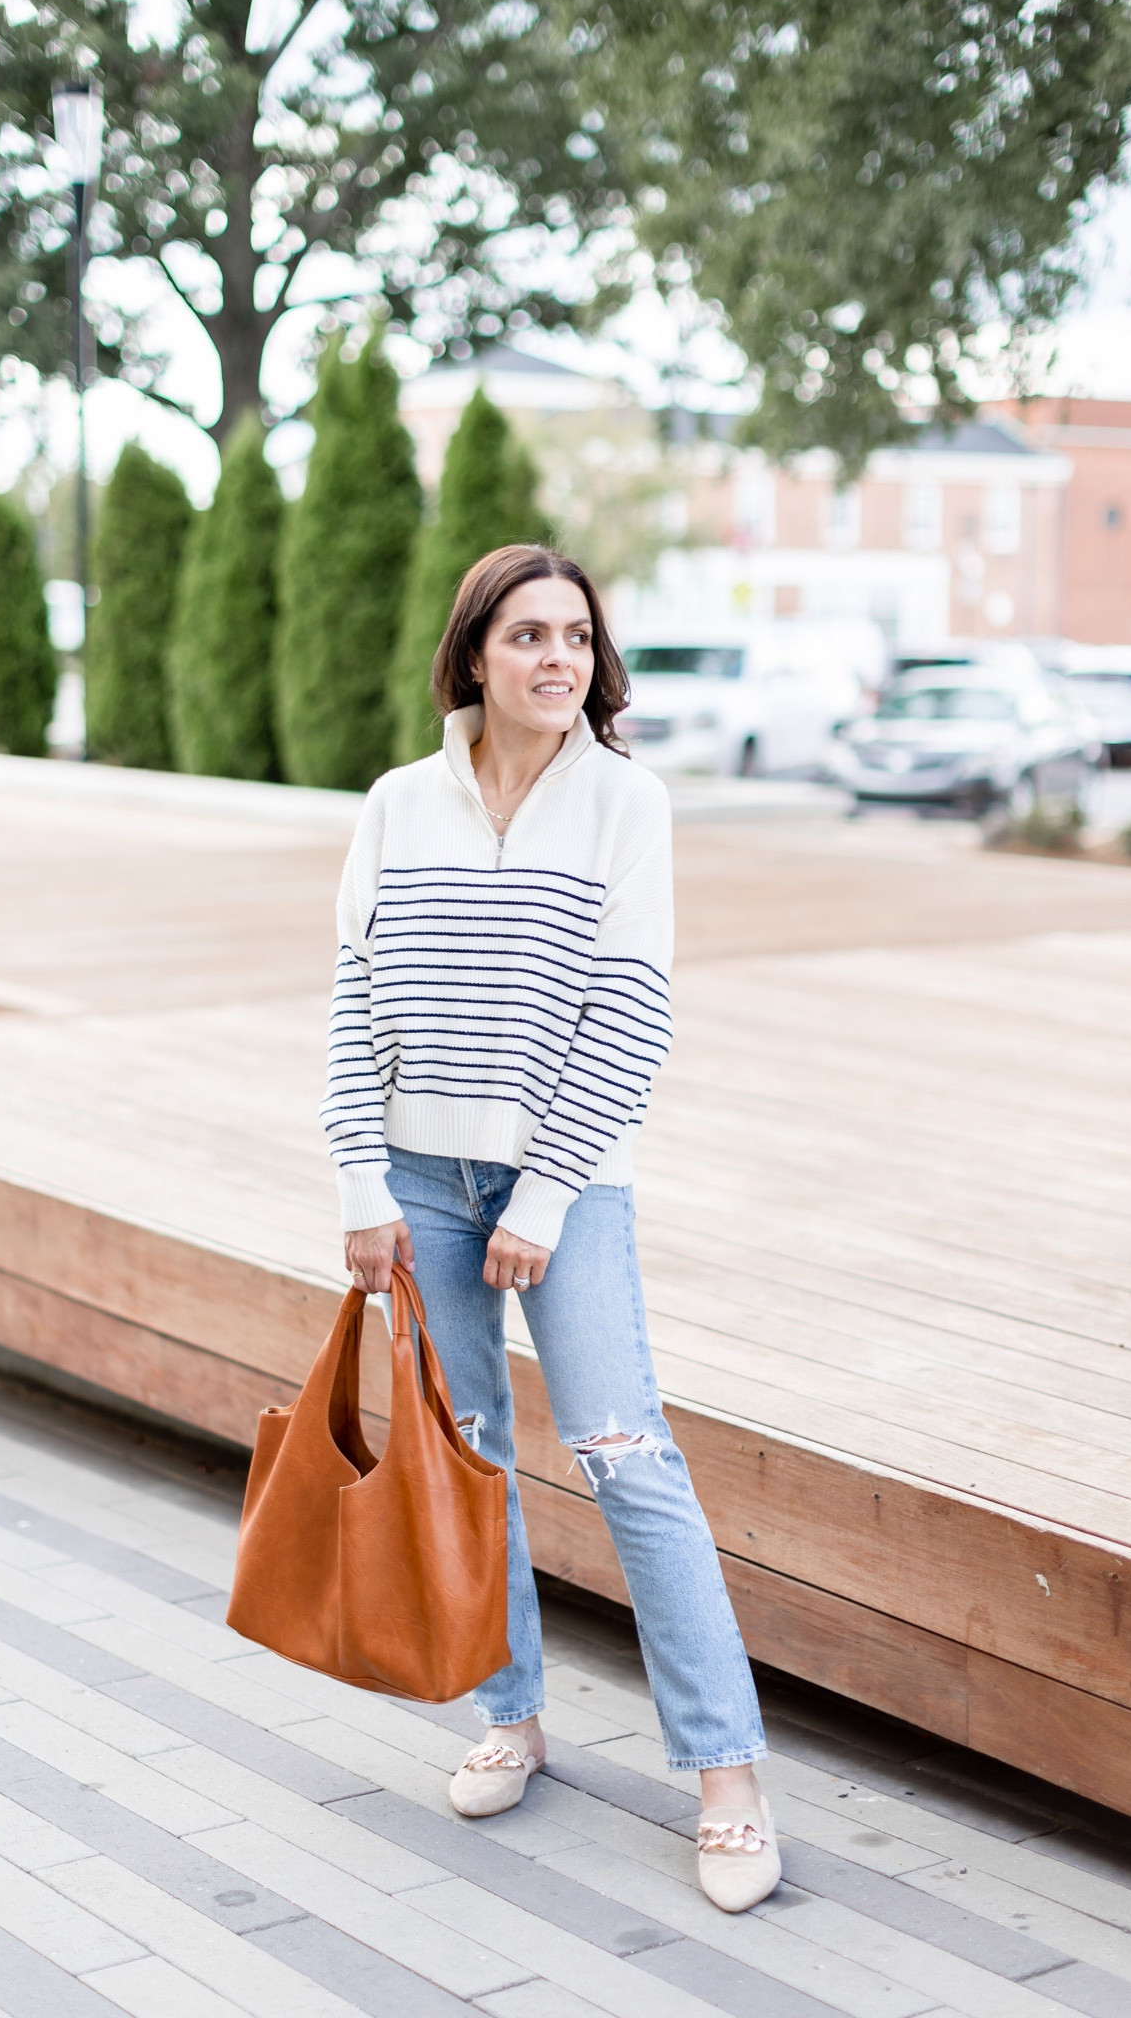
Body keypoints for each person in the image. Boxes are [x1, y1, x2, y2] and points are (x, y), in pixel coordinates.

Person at [321, 544, 778, 1913]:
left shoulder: (624, 806)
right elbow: (352, 995)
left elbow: (632, 1013)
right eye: (526, 636)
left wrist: (542, 1196)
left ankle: (727, 1773)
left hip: (560, 1192)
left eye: (575, 638)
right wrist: (358, 1185)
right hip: (413, 1180)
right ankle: (508, 1716)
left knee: (624, 1459)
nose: (556, 661)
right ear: (473, 655)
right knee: (466, 1454)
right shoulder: (400, 804)